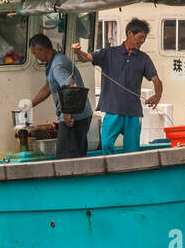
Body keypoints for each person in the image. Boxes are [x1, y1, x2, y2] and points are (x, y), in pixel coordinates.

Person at [72, 17, 162, 154]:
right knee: (107, 144)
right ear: (130, 33)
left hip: (133, 113)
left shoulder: (144, 58)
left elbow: (156, 79)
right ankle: (112, 170)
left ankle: (129, 173)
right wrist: (78, 52)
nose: (142, 41)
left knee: (132, 151)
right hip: (112, 111)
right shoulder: (109, 53)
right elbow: (86, 58)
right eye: (140, 37)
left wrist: (158, 95)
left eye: (144, 38)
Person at [29, 34, 92, 158]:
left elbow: (71, 87)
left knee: (65, 158)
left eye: (34, 53)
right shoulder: (55, 60)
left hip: (73, 118)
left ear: (42, 50)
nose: (34, 56)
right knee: (78, 156)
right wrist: (31, 104)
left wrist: (66, 114)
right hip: (81, 114)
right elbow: (48, 87)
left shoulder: (57, 66)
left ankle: (71, 178)